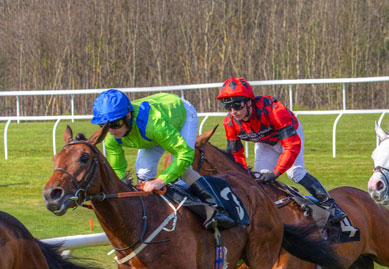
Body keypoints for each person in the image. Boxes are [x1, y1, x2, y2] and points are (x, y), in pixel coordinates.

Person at [91, 89, 233, 228]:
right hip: (150, 131)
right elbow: (117, 169)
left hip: (181, 116)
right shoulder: (110, 136)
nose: (111, 131)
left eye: (116, 124)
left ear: (128, 115)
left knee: (181, 168)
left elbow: (185, 154)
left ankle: (217, 208)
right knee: (143, 173)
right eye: (104, 126)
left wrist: (160, 181)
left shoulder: (154, 125)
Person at [217, 77, 345, 222]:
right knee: (258, 178)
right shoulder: (229, 123)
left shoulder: (275, 111)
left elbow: (291, 146)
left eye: (237, 105)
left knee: (295, 173)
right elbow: (236, 155)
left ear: (249, 101)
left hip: (290, 138)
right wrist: (243, 170)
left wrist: (276, 172)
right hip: (265, 143)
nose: (233, 111)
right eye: (228, 107)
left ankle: (331, 205)